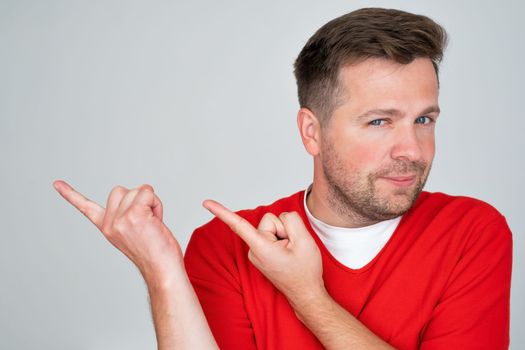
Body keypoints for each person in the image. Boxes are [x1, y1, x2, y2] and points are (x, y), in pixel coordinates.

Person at [54, 7, 512, 350]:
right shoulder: (229, 247)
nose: (412, 150)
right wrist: (161, 272)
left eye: (424, 120)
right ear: (311, 132)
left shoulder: (472, 231)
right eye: (379, 122)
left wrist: (306, 295)